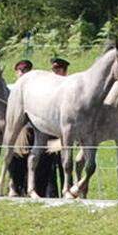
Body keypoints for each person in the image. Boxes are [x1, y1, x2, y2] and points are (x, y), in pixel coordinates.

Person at [34, 57, 69, 197]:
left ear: (64, 72)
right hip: (48, 132)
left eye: (58, 70)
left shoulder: (68, 87)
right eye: (53, 70)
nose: (55, 73)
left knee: (64, 163)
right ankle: (49, 194)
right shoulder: (48, 89)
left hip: (63, 135)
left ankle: (66, 190)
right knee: (46, 164)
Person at [7, 60, 33, 196]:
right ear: (16, 72)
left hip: (32, 128)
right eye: (20, 70)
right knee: (15, 157)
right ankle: (13, 186)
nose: (22, 73)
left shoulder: (35, 89)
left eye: (25, 70)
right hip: (16, 129)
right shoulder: (11, 88)